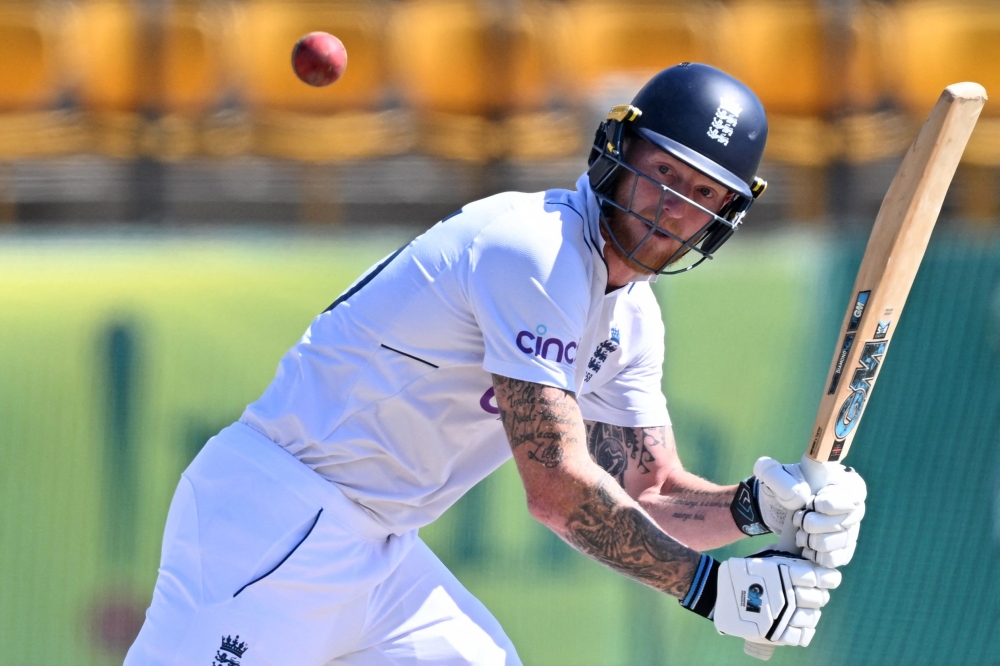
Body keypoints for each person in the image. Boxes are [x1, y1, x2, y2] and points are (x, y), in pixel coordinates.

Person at [125, 63, 867, 666]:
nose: (673, 209)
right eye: (664, 175)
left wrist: (756, 508)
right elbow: (558, 490)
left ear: (723, 219)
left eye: (702, 195)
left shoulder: (632, 318)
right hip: (276, 520)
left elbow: (649, 491)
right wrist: (711, 591)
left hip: (380, 552)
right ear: (616, 152)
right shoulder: (536, 249)